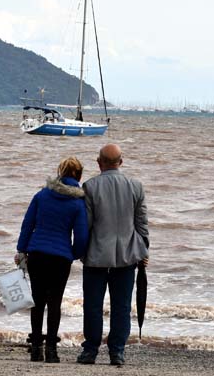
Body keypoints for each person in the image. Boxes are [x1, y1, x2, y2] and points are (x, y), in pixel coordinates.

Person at [77, 143, 149, 366]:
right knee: (122, 307)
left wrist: (80, 251)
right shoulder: (136, 186)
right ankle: (117, 352)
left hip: (96, 256)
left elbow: (86, 225)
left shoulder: (89, 187)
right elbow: (141, 224)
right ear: (121, 161)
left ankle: (90, 351)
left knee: (92, 305)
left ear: (99, 163)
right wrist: (144, 250)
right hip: (127, 256)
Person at [16, 157, 89, 363]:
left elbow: (27, 224)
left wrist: (22, 250)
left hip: (37, 254)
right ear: (79, 176)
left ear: (60, 172)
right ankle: (51, 351)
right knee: (55, 302)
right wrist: (72, 253)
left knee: (37, 301)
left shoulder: (41, 195)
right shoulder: (77, 203)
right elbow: (82, 236)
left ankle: (36, 348)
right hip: (60, 258)